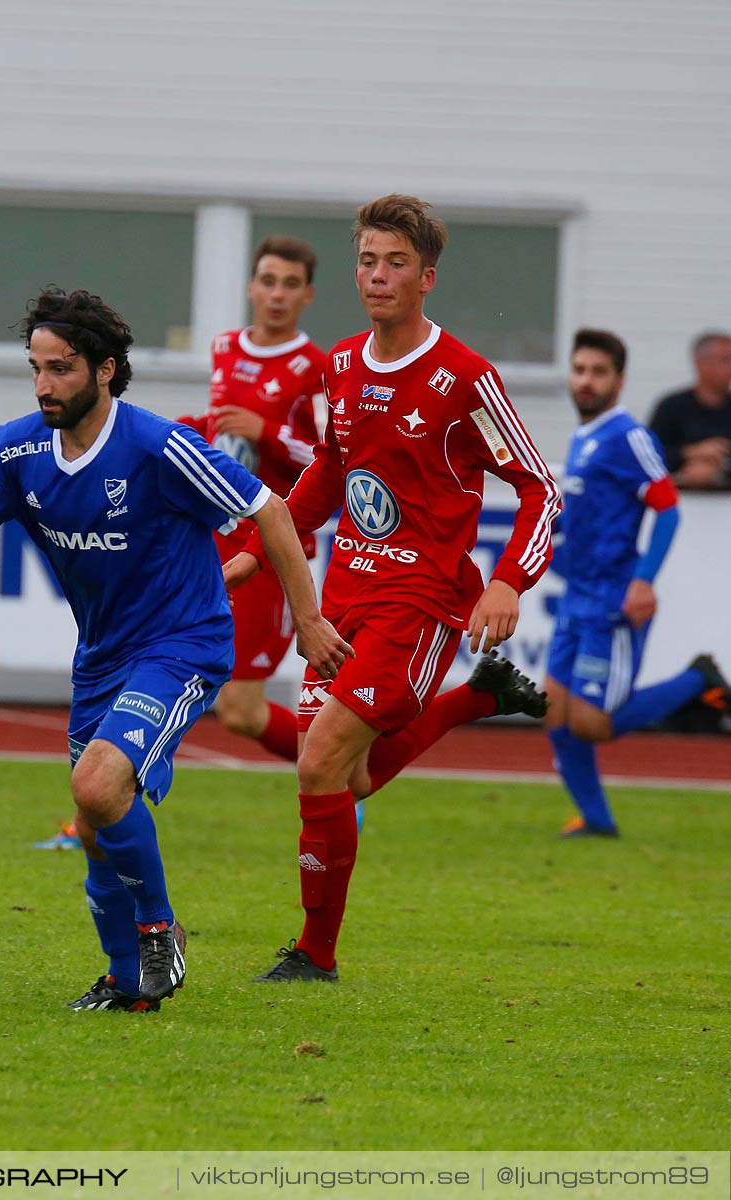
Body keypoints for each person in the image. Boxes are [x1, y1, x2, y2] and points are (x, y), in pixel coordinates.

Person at [0, 288, 350, 1012]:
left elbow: (268, 509)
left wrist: (306, 620)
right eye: (36, 368)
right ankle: (127, 983)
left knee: (95, 785)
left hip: (184, 641)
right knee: (94, 829)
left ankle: (159, 929)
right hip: (104, 655)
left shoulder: (159, 446)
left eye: (60, 369)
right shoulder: (15, 448)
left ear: (105, 371)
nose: (43, 385)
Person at [225, 194, 558, 984]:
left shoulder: (464, 377)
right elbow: (328, 475)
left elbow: (542, 487)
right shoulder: (340, 364)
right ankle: (480, 698)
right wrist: (251, 550)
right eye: (368, 261)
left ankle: (315, 954)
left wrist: (507, 582)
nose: (378, 276)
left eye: (396, 263)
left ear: (426, 278)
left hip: (424, 601)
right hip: (345, 593)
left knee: (318, 765)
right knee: (352, 775)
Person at [542, 329, 731, 837]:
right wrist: (548, 530)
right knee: (553, 714)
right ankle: (597, 821)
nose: (585, 381)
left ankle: (699, 679)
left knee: (592, 724)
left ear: (619, 379)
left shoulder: (629, 436)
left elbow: (669, 510)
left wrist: (643, 581)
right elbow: (581, 514)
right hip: (575, 598)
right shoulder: (583, 436)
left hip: (612, 600)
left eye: (598, 372)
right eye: (580, 370)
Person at [178, 235, 330, 765]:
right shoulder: (225, 348)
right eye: (268, 281)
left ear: (307, 295)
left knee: (241, 709)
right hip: (215, 538)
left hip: (272, 547)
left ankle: (337, 767)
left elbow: (328, 456)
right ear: (251, 287)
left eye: (290, 285)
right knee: (163, 667)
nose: (277, 294)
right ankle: (107, 805)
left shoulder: (316, 366)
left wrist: (265, 430)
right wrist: (187, 430)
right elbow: (223, 435)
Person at [648, 331, 731, 488]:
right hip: (679, 500)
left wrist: (721, 465)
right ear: (700, 364)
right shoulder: (671, 407)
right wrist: (690, 453)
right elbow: (650, 455)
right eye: (724, 360)